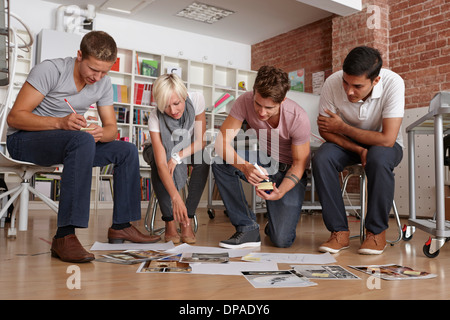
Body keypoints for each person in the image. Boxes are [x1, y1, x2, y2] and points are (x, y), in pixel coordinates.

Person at [6, 31, 160, 263]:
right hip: (25, 140)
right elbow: (15, 118)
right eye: (93, 69)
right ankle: (65, 236)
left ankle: (122, 225)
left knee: (125, 150)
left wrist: (101, 133)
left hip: (69, 143)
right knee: (82, 140)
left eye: (104, 71)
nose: (97, 77)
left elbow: (111, 128)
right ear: (79, 55)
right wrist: (60, 122)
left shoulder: (103, 83)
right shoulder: (50, 70)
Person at [312, 46, 405, 255]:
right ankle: (339, 231)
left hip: (385, 146)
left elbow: (387, 139)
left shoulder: (394, 83)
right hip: (348, 144)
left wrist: (343, 127)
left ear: (376, 81)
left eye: (357, 86)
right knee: (322, 158)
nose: (348, 91)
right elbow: (326, 131)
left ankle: (375, 232)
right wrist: (357, 148)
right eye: (346, 82)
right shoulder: (332, 83)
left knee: (378, 158)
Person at [212, 65, 311, 249]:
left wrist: (280, 191)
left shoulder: (298, 117)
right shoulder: (244, 101)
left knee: (281, 240)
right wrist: (244, 167)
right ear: (254, 91)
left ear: (282, 101)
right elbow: (220, 142)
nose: (262, 112)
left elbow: (299, 165)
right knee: (220, 162)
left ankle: (273, 225)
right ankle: (247, 227)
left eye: (269, 107)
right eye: (258, 104)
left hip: (287, 173)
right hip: (265, 165)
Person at [143, 73, 209, 244]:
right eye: (166, 106)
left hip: (187, 147)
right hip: (157, 148)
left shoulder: (197, 100)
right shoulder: (155, 117)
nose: (172, 111)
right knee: (161, 164)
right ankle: (169, 222)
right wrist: (176, 198)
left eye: (176, 103)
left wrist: (178, 156)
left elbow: (201, 141)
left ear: (185, 95)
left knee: (204, 159)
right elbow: (161, 162)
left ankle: (186, 220)